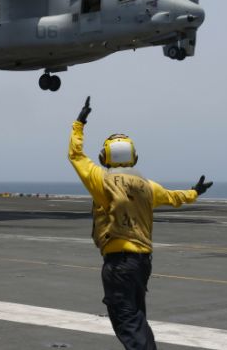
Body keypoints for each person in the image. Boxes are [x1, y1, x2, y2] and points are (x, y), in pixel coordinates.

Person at [68, 96, 213, 350]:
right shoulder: (147, 186)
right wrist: (194, 192)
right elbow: (174, 197)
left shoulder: (102, 181)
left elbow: (75, 155)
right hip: (142, 263)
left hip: (119, 264)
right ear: (134, 157)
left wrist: (79, 123)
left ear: (105, 157)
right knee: (136, 318)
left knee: (125, 319)